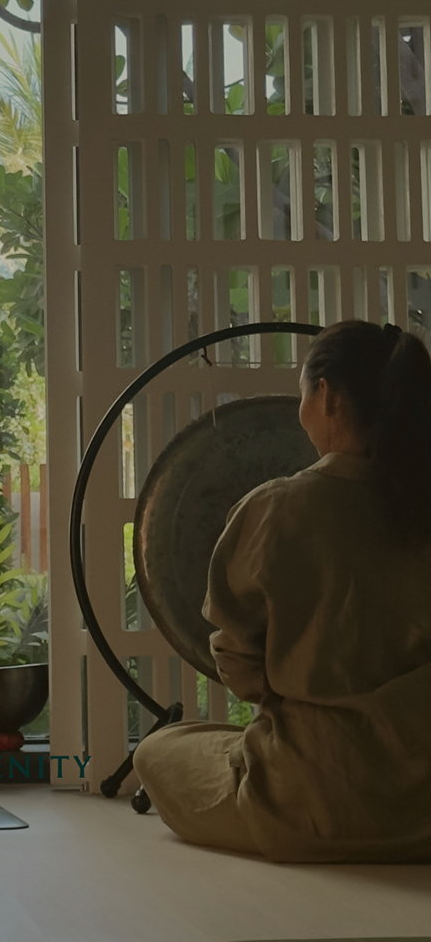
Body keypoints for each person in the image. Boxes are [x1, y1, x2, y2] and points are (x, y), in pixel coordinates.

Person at [133, 319, 431, 862]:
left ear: (328, 397)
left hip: (310, 802)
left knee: (160, 748)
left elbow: (240, 661)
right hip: (422, 805)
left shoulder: (278, 507)